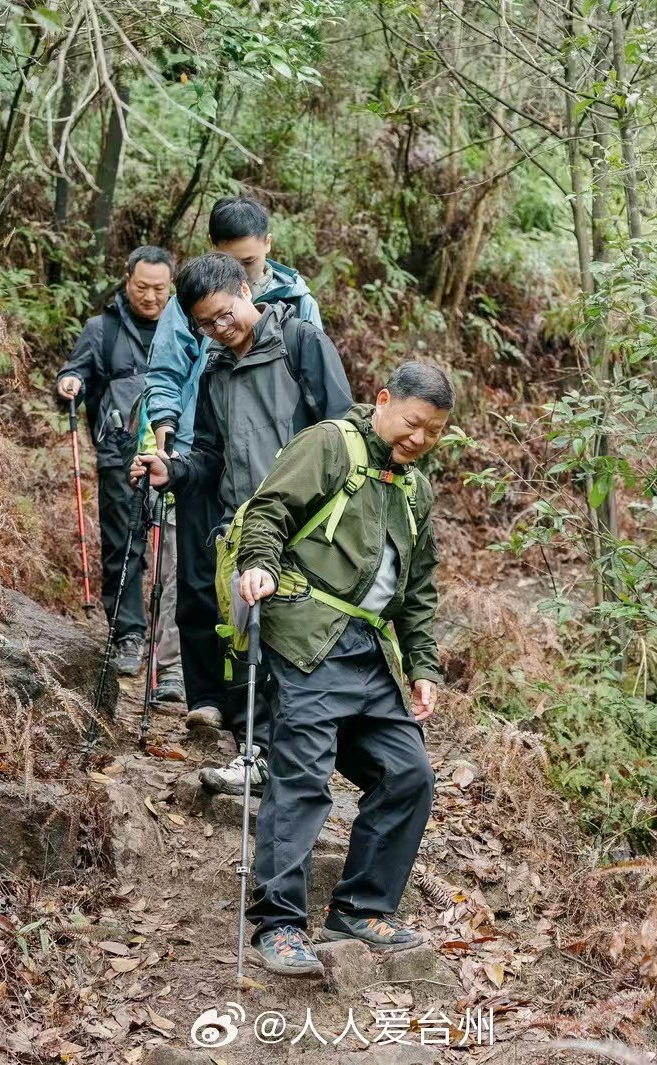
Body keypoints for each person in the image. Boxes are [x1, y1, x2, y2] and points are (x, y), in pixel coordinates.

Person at [231, 362, 453, 978]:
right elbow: (268, 512)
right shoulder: (328, 444)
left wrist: (423, 666)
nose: (420, 440)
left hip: (370, 651)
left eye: (434, 432)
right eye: (414, 424)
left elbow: (419, 589)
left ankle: (360, 906)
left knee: (407, 773)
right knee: (303, 778)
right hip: (307, 635)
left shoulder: (415, 489)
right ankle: (278, 925)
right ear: (383, 400)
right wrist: (258, 565)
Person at [132, 252, 351, 791]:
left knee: (289, 643)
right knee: (249, 640)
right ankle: (257, 751)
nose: (218, 329)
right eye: (204, 323)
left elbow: (343, 433)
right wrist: (172, 469)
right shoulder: (214, 371)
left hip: (305, 524)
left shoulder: (301, 346)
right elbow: (209, 455)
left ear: (246, 292)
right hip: (242, 524)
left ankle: (289, 755)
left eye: (224, 314)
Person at [144, 197, 324, 740]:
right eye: (230, 259)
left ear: (266, 246)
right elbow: (167, 370)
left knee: (269, 584)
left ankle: (264, 713)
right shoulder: (192, 302)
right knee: (202, 581)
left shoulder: (297, 309)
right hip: (207, 453)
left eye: (248, 262)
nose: (218, 325)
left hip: (279, 468)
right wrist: (167, 437)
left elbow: (324, 405)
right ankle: (208, 695)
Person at [55, 246, 183, 699]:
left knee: (175, 551)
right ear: (126, 281)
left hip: (176, 455)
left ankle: (174, 650)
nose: (150, 297)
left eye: (159, 289)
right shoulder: (102, 329)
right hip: (119, 453)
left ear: (173, 287)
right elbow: (76, 373)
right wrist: (69, 383)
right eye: (142, 287)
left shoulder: (188, 328)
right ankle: (128, 634)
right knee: (124, 545)